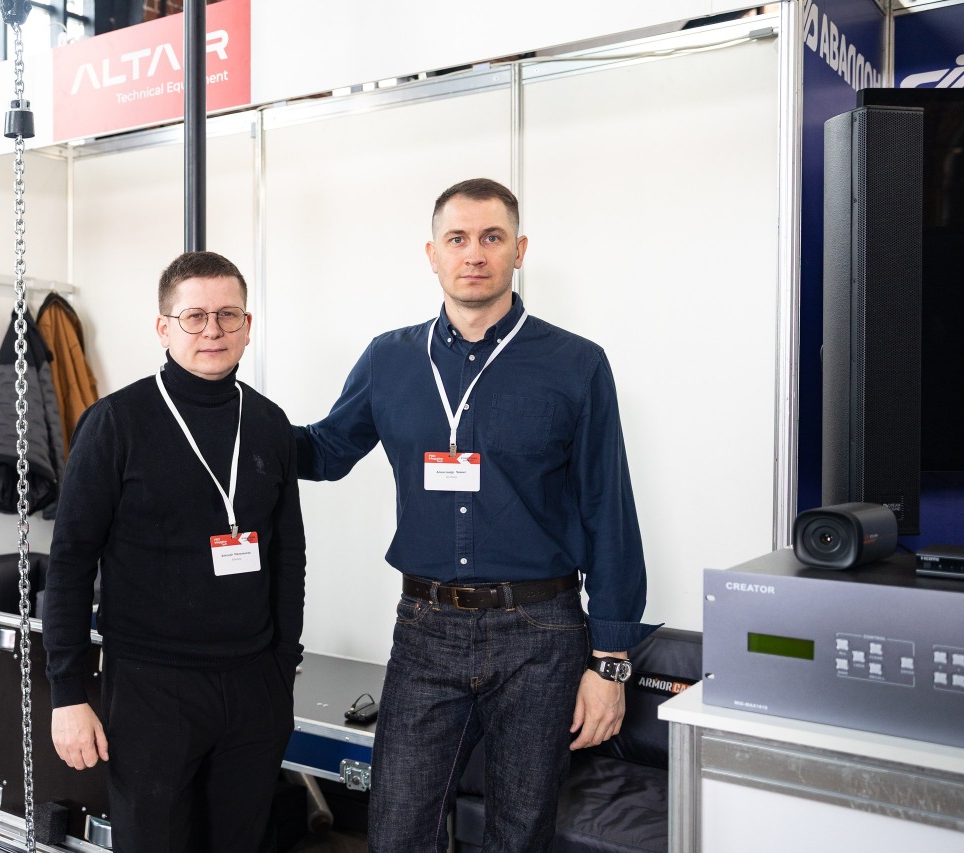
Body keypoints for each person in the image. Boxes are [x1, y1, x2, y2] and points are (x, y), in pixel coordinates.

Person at [295, 178, 656, 852]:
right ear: (431, 254)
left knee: (519, 834)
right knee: (398, 830)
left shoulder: (576, 364)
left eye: (492, 237)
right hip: (425, 628)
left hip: (541, 634)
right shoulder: (389, 358)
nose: (474, 253)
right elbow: (325, 450)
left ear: (519, 250)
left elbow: (609, 512)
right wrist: (230, 423)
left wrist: (610, 664)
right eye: (457, 238)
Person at [43, 251, 306, 853]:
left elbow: (288, 555)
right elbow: (71, 564)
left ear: (247, 325)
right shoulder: (115, 423)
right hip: (151, 689)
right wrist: (68, 693)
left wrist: (282, 667)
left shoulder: (269, 424)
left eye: (227, 314)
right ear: (163, 328)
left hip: (254, 685)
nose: (212, 330)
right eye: (194, 316)